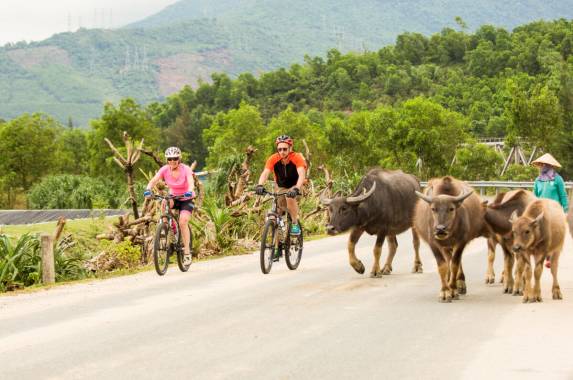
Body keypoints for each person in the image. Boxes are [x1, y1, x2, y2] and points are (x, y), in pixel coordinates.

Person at [144, 147, 195, 265]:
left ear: (179, 159)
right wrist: (148, 189)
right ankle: (167, 227)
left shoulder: (185, 169)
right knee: (164, 202)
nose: (172, 161)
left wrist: (190, 190)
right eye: (170, 159)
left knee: (183, 222)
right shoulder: (165, 169)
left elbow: (191, 182)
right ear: (167, 160)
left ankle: (187, 252)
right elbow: (153, 180)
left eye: (175, 158)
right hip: (174, 196)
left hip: (186, 198)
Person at [255, 135, 307, 235]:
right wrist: (260, 185)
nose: (282, 151)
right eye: (279, 149)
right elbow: (265, 172)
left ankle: (295, 224)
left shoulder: (297, 157)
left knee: (289, 197)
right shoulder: (273, 158)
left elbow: (301, 174)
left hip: (297, 185)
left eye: (284, 149)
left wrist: (296, 188)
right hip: (281, 187)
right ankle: (277, 242)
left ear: (290, 148)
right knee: (277, 211)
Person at [531, 153, 568, 268]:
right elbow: (534, 196)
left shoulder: (558, 179)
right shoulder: (538, 180)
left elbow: (563, 196)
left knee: (552, 234)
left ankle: (550, 257)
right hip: (541, 211)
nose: (543, 166)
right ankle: (544, 255)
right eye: (541, 164)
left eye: (545, 164)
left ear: (551, 166)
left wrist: (566, 211)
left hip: (554, 211)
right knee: (541, 234)